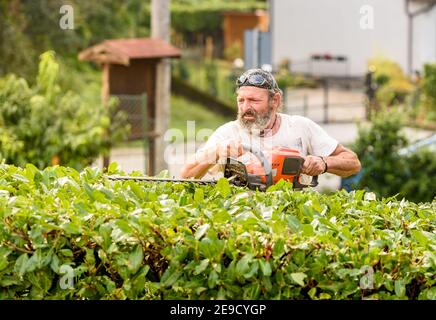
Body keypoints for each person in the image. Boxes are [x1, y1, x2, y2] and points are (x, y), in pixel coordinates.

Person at [180, 68, 361, 180]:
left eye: (253, 100)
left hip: (292, 219)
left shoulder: (299, 127)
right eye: (241, 100)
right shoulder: (227, 133)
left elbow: (353, 163)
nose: (245, 107)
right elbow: (185, 176)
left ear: (275, 100)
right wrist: (216, 152)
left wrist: (323, 162)